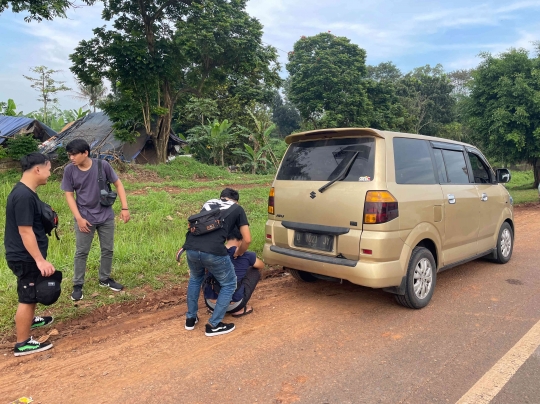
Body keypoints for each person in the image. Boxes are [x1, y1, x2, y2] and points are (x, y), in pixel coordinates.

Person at [61, 139, 130, 301]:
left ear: (85, 153)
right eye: (69, 155)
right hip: (84, 218)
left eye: (74, 154)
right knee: (81, 252)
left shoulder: (102, 165)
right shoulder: (69, 171)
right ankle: (78, 284)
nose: (71, 158)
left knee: (108, 249)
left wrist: (125, 208)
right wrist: (79, 218)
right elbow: (69, 195)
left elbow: (118, 184)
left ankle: (104, 279)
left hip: (105, 215)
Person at [5, 153, 56, 356]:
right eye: (49, 169)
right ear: (38, 169)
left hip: (24, 255)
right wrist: (39, 260)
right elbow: (25, 231)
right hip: (25, 256)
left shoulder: (26, 191)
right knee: (27, 295)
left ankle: (30, 319)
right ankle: (23, 342)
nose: (49, 174)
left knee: (31, 291)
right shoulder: (24, 196)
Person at [182, 188, 251, 336]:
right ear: (236, 200)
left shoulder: (209, 202)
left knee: (195, 278)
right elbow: (247, 239)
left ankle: (190, 319)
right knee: (230, 283)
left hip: (191, 248)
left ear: (221, 197)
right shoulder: (237, 208)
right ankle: (214, 325)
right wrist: (239, 252)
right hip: (213, 251)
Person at [204, 228, 264, 317]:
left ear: (226, 237)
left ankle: (212, 305)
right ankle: (239, 310)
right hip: (234, 306)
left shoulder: (213, 252)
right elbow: (261, 265)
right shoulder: (247, 255)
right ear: (243, 239)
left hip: (211, 304)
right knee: (254, 271)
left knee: (205, 271)